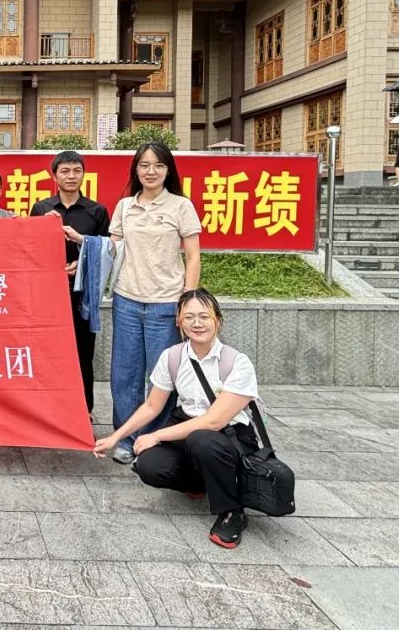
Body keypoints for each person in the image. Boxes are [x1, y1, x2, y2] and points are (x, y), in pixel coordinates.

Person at [94, 289, 260, 550]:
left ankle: (232, 511)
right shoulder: (172, 356)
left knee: (203, 439)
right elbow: (152, 406)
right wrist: (116, 437)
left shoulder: (237, 363)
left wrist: (156, 435)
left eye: (204, 316)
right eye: (189, 317)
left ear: (218, 320)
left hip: (229, 436)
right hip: (189, 429)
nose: (197, 323)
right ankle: (200, 482)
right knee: (149, 465)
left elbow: (214, 422)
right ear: (179, 322)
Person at [106, 141, 201, 465]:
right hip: (127, 301)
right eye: (144, 165)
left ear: (168, 170)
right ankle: (125, 439)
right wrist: (83, 246)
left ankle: (152, 440)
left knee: (161, 378)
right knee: (124, 376)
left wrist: (187, 301)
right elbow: (112, 251)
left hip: (166, 303)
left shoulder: (180, 206)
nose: (151, 171)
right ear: (135, 170)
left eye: (158, 165)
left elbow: (193, 256)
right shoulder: (125, 207)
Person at [30, 150, 109, 416]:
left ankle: (83, 412)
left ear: (84, 174)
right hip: (49, 296)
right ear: (54, 176)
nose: (71, 176)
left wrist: (81, 264)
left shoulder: (97, 211)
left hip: (82, 296)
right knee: (48, 354)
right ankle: (49, 410)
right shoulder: (41, 209)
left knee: (83, 355)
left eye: (77, 170)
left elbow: (107, 252)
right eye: (65, 171)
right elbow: (31, 250)